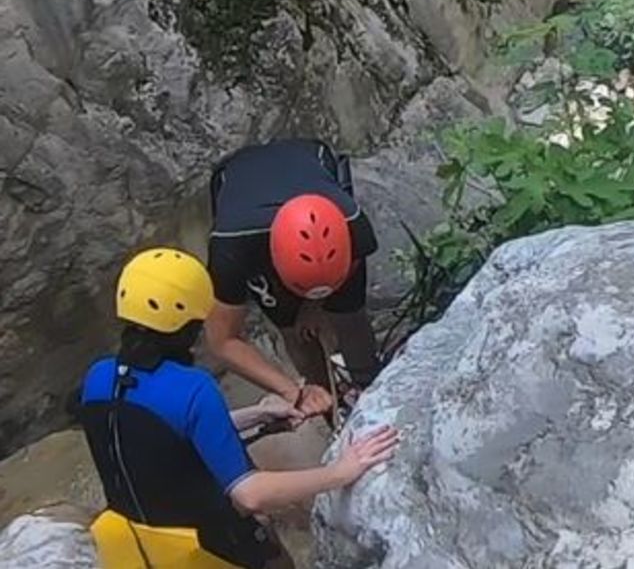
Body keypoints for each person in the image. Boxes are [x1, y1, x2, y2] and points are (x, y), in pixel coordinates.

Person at [79, 247, 399, 568]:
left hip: (132, 546)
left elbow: (159, 436)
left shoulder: (98, 377)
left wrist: (257, 416)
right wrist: (340, 472)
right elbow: (250, 494)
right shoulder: (194, 388)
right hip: (204, 550)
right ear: (189, 324)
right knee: (270, 547)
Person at [203, 139, 382, 422]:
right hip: (240, 186)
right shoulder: (233, 248)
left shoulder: (352, 223)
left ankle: (371, 384)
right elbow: (222, 340)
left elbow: (353, 262)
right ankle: (325, 404)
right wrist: (292, 390)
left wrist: (317, 306)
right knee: (292, 327)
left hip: (311, 158)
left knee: (349, 315)